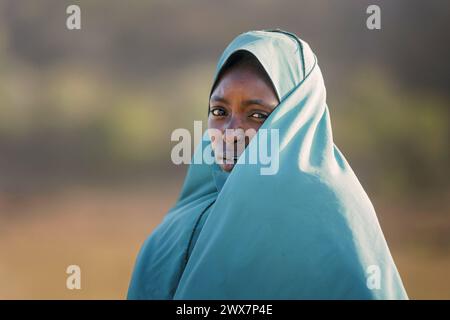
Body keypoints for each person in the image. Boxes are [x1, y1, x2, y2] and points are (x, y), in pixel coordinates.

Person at [127, 29, 408, 299]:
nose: (231, 132)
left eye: (258, 115)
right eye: (219, 111)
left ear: (296, 119)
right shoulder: (177, 229)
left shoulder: (332, 221)